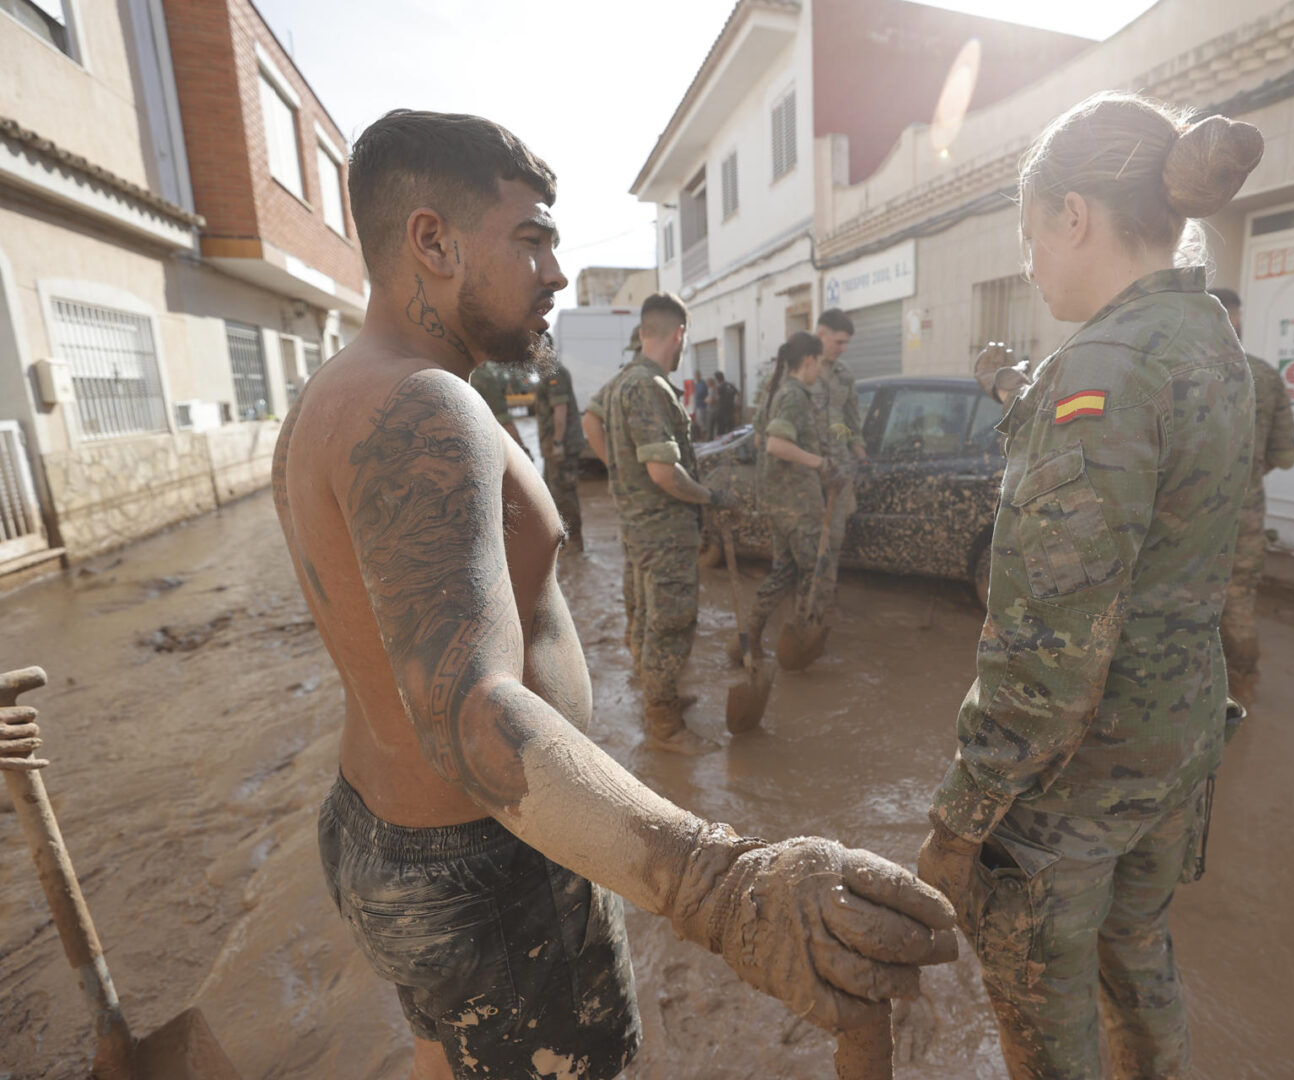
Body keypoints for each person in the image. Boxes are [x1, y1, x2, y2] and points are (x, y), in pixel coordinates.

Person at [271, 109, 956, 1080]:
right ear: (433, 241)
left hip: (379, 837)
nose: (555, 271)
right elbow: (466, 714)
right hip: (482, 863)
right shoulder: (421, 407)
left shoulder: (334, 395)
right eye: (533, 239)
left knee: (447, 1055)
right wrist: (719, 884)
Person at [915, 93, 1264, 1079]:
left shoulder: (1100, 372)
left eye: (1031, 237)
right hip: (1176, 741)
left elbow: (1048, 656)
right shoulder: (1213, 342)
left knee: (1041, 1006)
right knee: (1139, 961)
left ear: (1074, 216)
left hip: (1079, 775)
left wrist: (958, 822)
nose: (1031, 265)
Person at [604, 292, 737, 753]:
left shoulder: (624, 382)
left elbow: (597, 431)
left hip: (642, 530)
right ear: (678, 335)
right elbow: (664, 473)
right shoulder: (649, 387)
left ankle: (659, 701)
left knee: (646, 621)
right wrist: (710, 496)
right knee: (670, 624)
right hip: (664, 533)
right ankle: (665, 725)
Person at [1210, 286, 1294, 702]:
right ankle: (1244, 688)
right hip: (1245, 511)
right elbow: (1284, 455)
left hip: (1183, 515)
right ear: (1238, 319)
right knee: (1239, 601)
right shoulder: (1264, 375)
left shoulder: (1173, 375)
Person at [740, 332, 837, 660]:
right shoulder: (794, 395)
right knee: (813, 571)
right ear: (809, 360)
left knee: (784, 571)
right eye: (819, 363)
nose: (820, 370)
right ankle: (797, 642)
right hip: (798, 503)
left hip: (776, 501)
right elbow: (774, 444)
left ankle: (749, 636)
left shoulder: (775, 391)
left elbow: (757, 440)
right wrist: (820, 462)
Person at [584, 327, 640, 645]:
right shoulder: (641, 382)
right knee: (644, 569)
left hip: (626, 494)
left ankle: (633, 630)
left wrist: (614, 467)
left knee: (633, 563)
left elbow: (590, 419)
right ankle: (639, 633)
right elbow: (590, 420)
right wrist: (616, 466)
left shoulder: (618, 382)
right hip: (644, 495)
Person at [806, 309, 866, 597]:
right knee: (809, 538)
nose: (843, 350)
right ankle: (805, 594)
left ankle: (825, 596)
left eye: (846, 344)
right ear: (821, 335)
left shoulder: (846, 375)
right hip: (807, 470)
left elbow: (853, 420)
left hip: (839, 470)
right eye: (838, 342)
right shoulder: (800, 369)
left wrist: (859, 447)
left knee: (836, 537)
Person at [538, 357, 586, 550]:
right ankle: (564, 540)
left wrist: (558, 443)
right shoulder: (547, 372)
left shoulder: (553, 372)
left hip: (561, 448)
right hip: (553, 448)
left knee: (564, 494)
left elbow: (560, 409)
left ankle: (574, 541)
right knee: (553, 493)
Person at [469, 361, 530, 458]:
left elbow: (506, 383)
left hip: (501, 413)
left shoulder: (491, 367)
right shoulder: (472, 372)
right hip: (486, 419)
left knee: (517, 447)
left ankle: (525, 456)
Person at [712, 369, 738, 436]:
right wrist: (736, 403)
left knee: (721, 429)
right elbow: (738, 393)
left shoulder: (720, 387)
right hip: (731, 410)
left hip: (722, 410)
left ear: (717, 379)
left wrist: (712, 401)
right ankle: (732, 442)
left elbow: (718, 398)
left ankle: (722, 443)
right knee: (731, 428)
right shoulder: (730, 385)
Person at [691, 364, 709, 441]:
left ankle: (705, 438)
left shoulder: (702, 383)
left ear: (699, 375)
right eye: (695, 375)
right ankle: (702, 437)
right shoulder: (696, 384)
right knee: (698, 422)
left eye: (697, 375)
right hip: (697, 406)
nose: (696, 376)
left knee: (702, 423)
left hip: (702, 406)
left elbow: (699, 393)